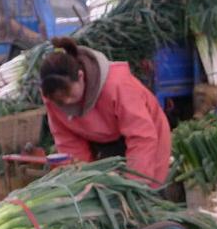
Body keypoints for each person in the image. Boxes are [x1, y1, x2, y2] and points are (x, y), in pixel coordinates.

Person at [40, 36, 172, 188]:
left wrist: (135, 185)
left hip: (147, 134)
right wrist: (84, 181)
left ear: (81, 76)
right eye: (60, 100)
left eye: (69, 94)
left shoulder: (117, 85)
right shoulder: (52, 99)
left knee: (146, 191)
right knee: (103, 192)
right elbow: (70, 144)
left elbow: (141, 138)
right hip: (103, 140)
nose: (67, 102)